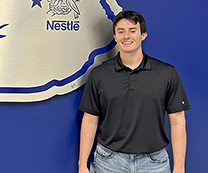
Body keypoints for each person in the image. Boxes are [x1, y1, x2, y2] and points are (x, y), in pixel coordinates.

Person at [78, 10, 190, 173]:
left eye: (132, 31)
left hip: (154, 164)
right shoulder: (99, 74)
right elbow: (90, 119)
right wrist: (82, 165)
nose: (126, 36)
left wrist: (179, 167)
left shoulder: (166, 73)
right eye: (120, 31)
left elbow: (178, 121)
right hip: (109, 162)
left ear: (143, 35)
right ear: (115, 37)